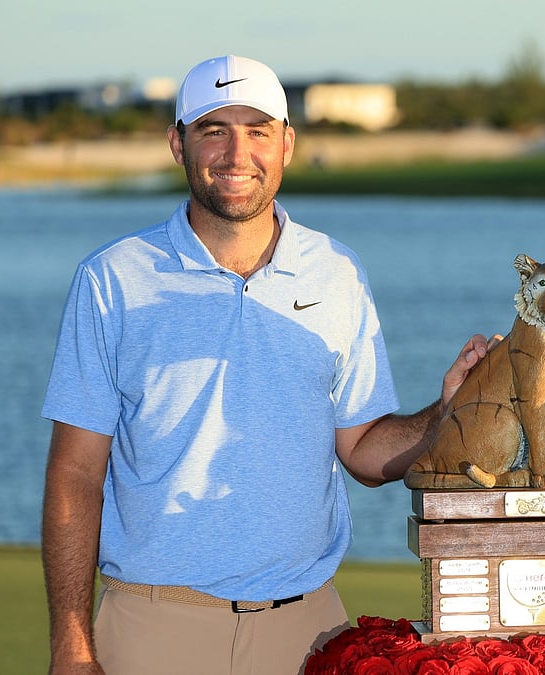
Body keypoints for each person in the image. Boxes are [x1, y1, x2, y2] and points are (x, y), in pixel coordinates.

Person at [39, 55, 491, 675]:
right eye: (213, 130)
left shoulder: (338, 271)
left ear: (287, 143)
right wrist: (70, 643)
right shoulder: (111, 278)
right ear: (178, 143)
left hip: (307, 630)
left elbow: (363, 451)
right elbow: (76, 475)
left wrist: (448, 413)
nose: (236, 153)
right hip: (150, 628)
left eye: (257, 130)